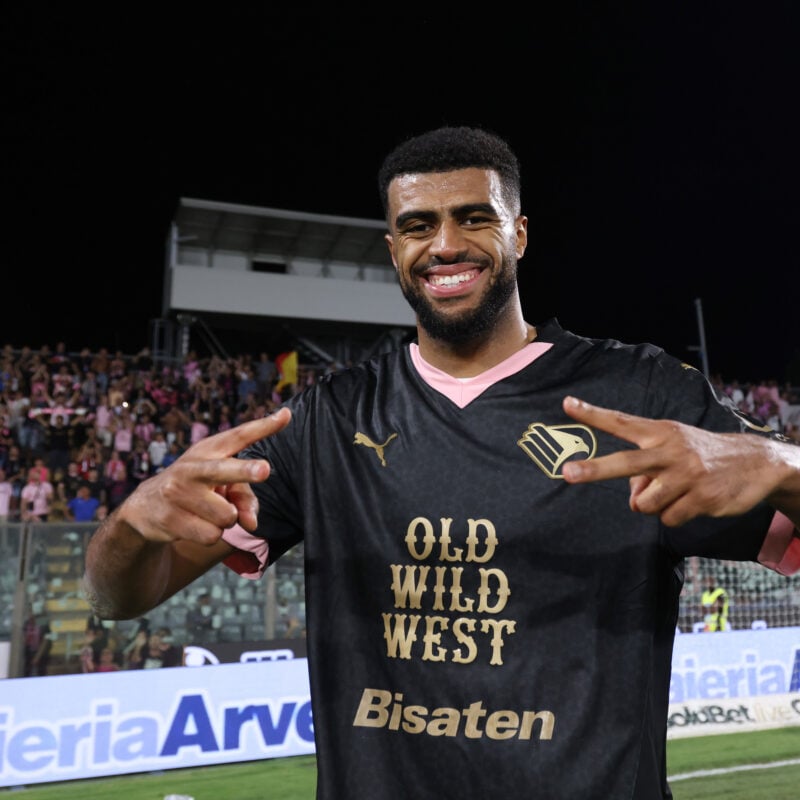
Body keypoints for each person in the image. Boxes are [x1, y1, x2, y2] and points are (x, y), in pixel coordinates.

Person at [82, 126, 800, 799]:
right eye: (419, 226)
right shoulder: (327, 419)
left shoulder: (640, 393)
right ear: (393, 248)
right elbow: (119, 598)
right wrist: (134, 522)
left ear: (518, 233)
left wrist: (776, 461)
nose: (446, 244)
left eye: (474, 218)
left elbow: (783, 503)